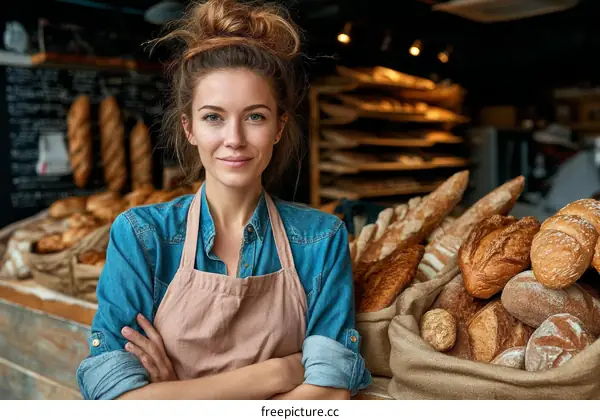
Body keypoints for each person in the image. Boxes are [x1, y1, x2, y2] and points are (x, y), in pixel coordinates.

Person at [76, 0, 371, 400]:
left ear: (279, 127)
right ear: (190, 127)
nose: (234, 138)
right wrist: (272, 375)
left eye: (255, 116)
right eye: (213, 117)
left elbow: (329, 397)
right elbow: (115, 402)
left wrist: (174, 393)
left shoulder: (321, 240)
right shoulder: (142, 237)